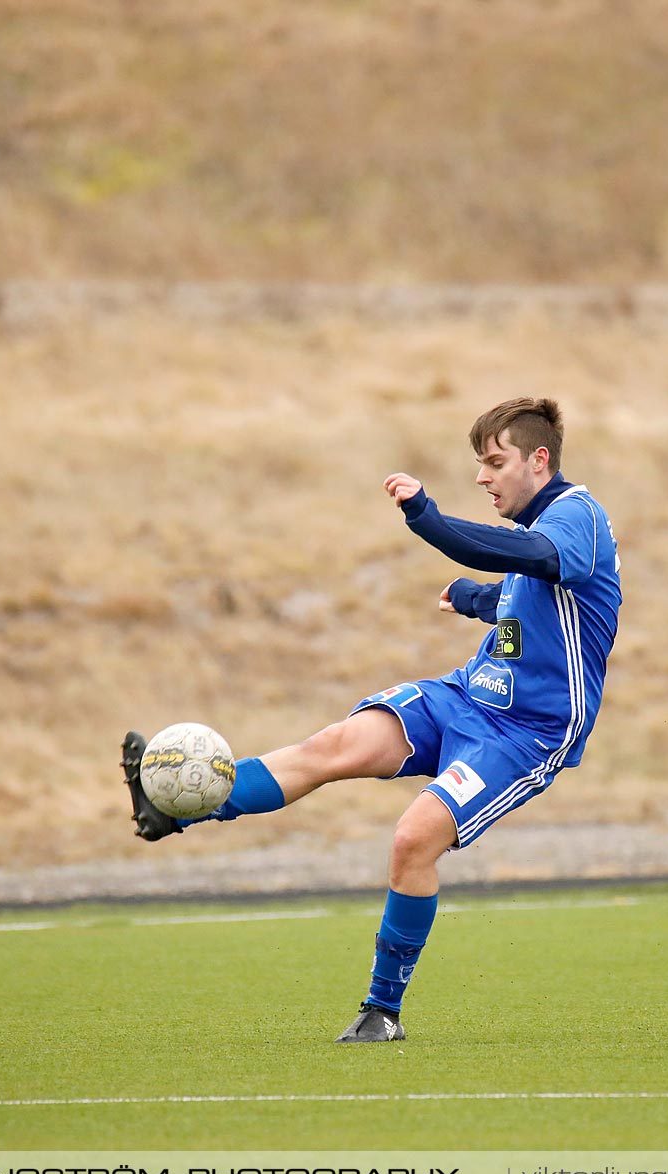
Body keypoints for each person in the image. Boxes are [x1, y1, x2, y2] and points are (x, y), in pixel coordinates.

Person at [119, 396, 620, 1041]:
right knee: (334, 745)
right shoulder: (536, 537)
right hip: (467, 695)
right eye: (480, 465)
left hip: (528, 735)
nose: (483, 476)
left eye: (495, 462)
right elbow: (532, 601)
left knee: (413, 841)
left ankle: (382, 1010)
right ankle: (179, 807)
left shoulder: (577, 515)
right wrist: (476, 601)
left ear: (539, 459)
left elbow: (537, 564)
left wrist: (424, 515)